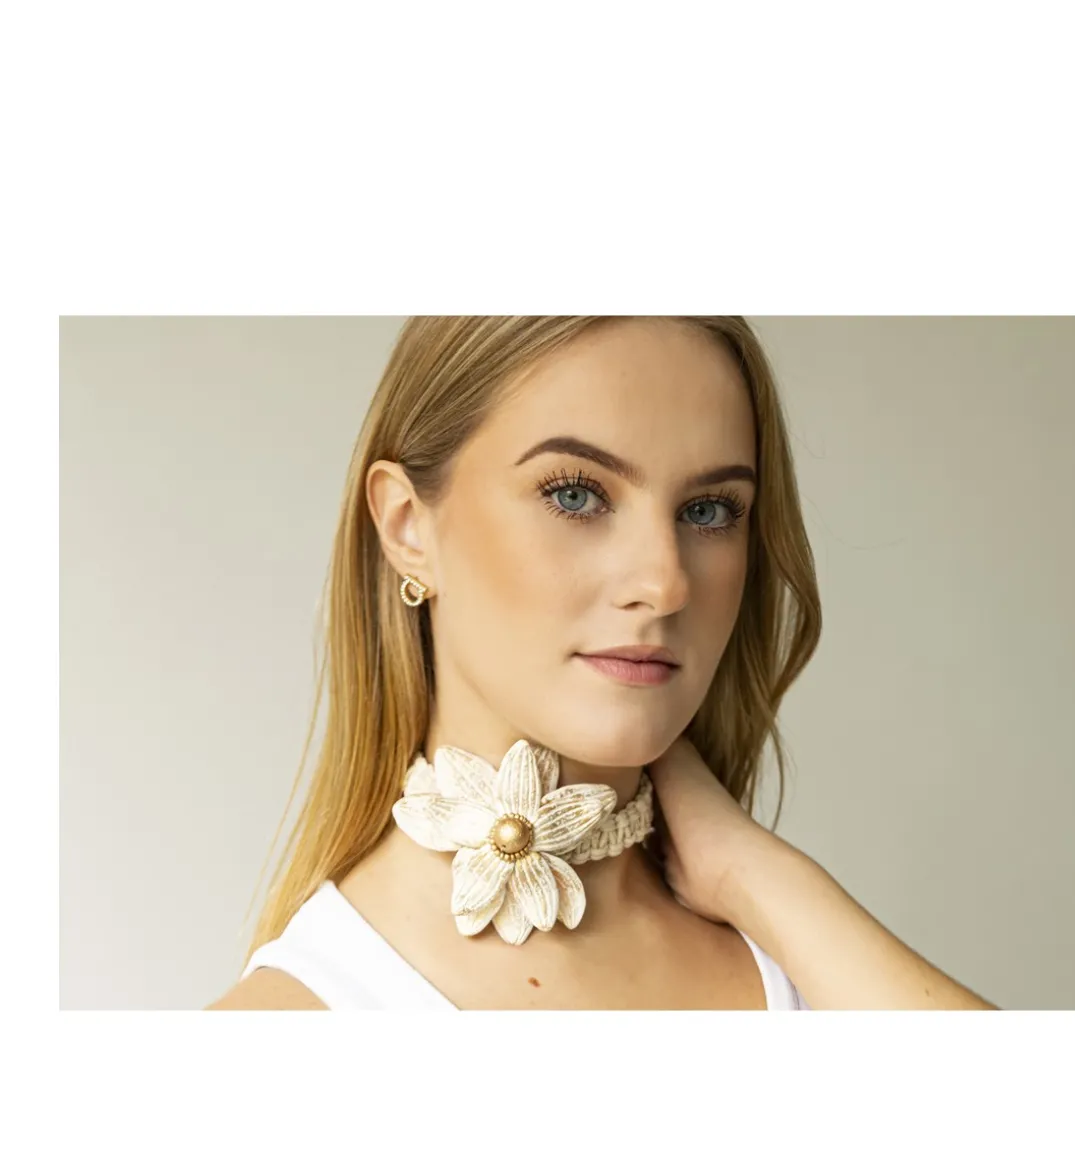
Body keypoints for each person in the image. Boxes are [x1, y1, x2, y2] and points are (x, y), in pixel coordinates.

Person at [207, 315, 995, 1011]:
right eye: (576, 494)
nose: (665, 581)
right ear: (409, 527)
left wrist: (756, 874)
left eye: (708, 510)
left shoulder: (802, 954)